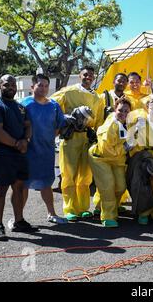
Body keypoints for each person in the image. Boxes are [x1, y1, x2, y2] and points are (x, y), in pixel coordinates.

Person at [0, 74, 37, 241]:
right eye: (7, 84)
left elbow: (28, 125)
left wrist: (26, 140)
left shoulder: (20, 107)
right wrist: (17, 143)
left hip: (19, 155)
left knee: (19, 188)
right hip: (1, 156)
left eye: (13, 85)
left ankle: (19, 221)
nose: (11, 87)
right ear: (0, 86)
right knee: (0, 190)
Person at [50, 66, 104, 221]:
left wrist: (97, 136)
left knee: (85, 175)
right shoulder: (68, 91)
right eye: (85, 74)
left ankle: (82, 207)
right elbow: (52, 104)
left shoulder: (98, 98)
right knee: (69, 173)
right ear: (80, 76)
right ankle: (70, 208)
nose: (88, 77)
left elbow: (99, 121)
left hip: (87, 139)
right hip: (70, 138)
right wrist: (64, 118)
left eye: (91, 75)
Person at [20, 74, 67, 224]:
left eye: (46, 86)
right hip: (27, 153)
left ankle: (51, 213)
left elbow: (59, 125)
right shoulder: (23, 104)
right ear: (32, 87)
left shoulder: (54, 105)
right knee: (23, 185)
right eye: (40, 85)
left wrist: (48, 138)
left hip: (46, 153)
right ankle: (18, 217)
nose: (43, 88)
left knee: (47, 184)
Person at [88, 98, 132, 227]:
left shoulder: (127, 123)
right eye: (120, 110)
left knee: (120, 186)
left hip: (116, 159)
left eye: (126, 110)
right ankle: (108, 215)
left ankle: (101, 205)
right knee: (107, 186)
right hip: (100, 158)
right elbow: (106, 150)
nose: (123, 113)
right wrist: (125, 148)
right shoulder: (110, 126)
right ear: (115, 109)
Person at [127, 98, 153, 225]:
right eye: (151, 107)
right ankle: (143, 213)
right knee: (144, 184)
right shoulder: (141, 121)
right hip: (145, 155)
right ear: (147, 108)